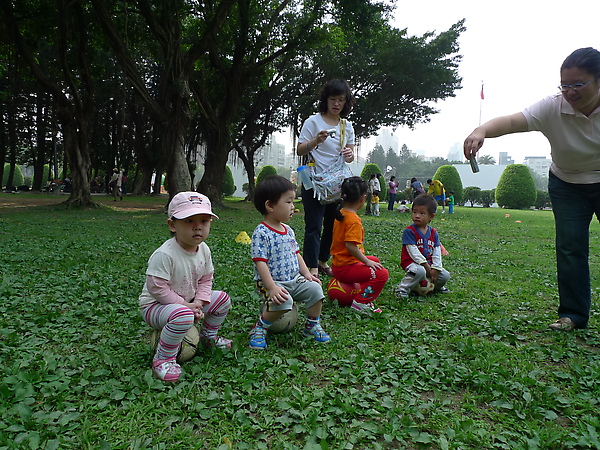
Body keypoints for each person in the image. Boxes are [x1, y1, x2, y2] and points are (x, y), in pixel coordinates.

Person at [464, 47, 600, 332]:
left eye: (578, 85)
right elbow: (514, 121)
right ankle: (573, 315)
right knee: (570, 247)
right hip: (567, 184)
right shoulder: (553, 106)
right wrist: (481, 131)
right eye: (565, 85)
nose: (570, 92)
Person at [139, 192, 232, 382]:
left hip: (188, 303)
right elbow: (157, 288)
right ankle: (163, 359)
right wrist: (185, 306)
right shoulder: (165, 254)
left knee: (222, 299)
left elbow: (206, 279)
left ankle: (208, 338)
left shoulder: (204, 250)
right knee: (183, 315)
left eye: (204, 221)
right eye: (189, 221)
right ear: (172, 225)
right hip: (156, 307)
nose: (198, 227)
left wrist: (199, 302)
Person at [249, 175, 330, 349]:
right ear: (270, 205)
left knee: (316, 289)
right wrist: (271, 287)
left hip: (294, 279)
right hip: (271, 282)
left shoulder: (288, 230)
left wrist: (307, 274)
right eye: (289, 202)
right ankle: (260, 327)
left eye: (293, 202)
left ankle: (312, 325)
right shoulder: (261, 233)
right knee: (283, 302)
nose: (293, 207)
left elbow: (296, 254)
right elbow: (260, 263)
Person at [296, 79, 355, 277]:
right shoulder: (313, 122)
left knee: (332, 224)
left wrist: (349, 155)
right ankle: (311, 266)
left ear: (346, 102)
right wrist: (316, 140)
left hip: (336, 184)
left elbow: (351, 153)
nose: (337, 104)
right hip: (313, 181)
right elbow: (299, 149)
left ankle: (322, 261)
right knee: (313, 225)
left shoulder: (346, 126)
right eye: (333, 99)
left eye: (341, 100)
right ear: (326, 100)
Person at [330, 176, 389, 315]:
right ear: (363, 198)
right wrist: (366, 261)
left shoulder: (341, 213)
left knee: (376, 261)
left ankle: (360, 290)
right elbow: (351, 246)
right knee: (382, 274)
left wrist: (369, 261)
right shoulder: (353, 220)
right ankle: (361, 303)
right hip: (345, 267)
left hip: (338, 264)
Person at [395, 194, 450, 299]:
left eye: (422, 213)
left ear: (431, 216)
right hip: (411, 262)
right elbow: (413, 251)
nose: (417, 215)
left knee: (445, 275)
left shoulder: (433, 232)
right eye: (414, 212)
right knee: (420, 271)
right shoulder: (409, 231)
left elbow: (437, 251)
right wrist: (425, 265)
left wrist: (436, 267)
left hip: (428, 264)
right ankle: (402, 289)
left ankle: (435, 287)